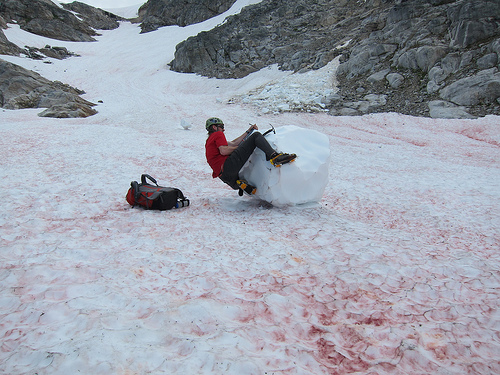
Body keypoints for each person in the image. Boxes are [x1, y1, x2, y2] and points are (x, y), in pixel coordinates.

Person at [205, 117, 296, 195]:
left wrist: (248, 131)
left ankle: (239, 184)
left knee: (237, 182)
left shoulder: (209, 141)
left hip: (225, 176)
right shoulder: (218, 134)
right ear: (214, 127)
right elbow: (224, 151)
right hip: (228, 166)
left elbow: (233, 143)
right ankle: (275, 157)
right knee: (256, 136)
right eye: (222, 127)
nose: (223, 129)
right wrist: (239, 148)